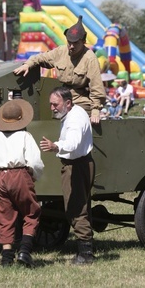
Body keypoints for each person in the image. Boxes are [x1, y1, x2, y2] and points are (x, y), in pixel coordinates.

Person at [0, 99, 44, 268]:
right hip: (20, 174)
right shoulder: (25, 136)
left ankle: (6, 258)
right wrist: (34, 176)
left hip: (1, 176)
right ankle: (24, 251)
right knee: (31, 212)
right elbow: (35, 162)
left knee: (5, 217)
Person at [13, 16, 106, 124]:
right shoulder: (61, 51)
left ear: (83, 41)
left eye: (75, 43)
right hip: (62, 98)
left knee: (77, 123)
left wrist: (95, 110)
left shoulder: (90, 58)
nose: (71, 46)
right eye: (69, 42)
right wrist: (28, 64)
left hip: (80, 100)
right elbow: (41, 58)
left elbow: (97, 87)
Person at [39, 87, 95, 265]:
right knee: (79, 206)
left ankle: (86, 255)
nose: (52, 108)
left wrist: (55, 146)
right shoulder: (73, 113)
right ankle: (86, 250)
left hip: (77, 166)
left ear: (68, 103)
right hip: (79, 164)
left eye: (55, 104)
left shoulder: (75, 119)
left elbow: (73, 142)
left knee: (76, 208)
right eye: (51, 104)